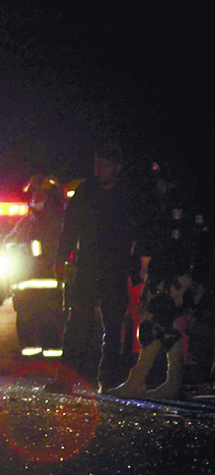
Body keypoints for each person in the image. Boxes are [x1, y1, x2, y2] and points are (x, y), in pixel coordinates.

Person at [46, 144, 149, 393]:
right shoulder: (86, 192)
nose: (99, 170)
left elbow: (138, 232)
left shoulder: (127, 195)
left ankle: (109, 380)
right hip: (88, 267)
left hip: (116, 268)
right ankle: (66, 378)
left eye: (104, 165)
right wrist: (62, 257)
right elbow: (70, 227)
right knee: (76, 324)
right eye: (97, 165)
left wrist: (136, 269)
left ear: (116, 167)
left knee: (113, 327)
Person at [107, 162, 213, 398]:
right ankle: (172, 381)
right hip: (176, 275)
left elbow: (169, 244)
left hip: (170, 276)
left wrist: (159, 274)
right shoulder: (185, 203)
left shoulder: (174, 205)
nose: (157, 185)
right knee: (169, 327)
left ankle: (139, 380)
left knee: (152, 325)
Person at [6, 174, 65, 356]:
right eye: (33, 194)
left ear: (50, 198)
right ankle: (29, 352)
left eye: (39, 194)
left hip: (48, 282)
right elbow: (9, 243)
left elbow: (50, 248)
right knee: (25, 318)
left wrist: (25, 249)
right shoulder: (25, 222)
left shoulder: (58, 222)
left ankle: (52, 352)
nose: (34, 198)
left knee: (49, 318)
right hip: (24, 283)